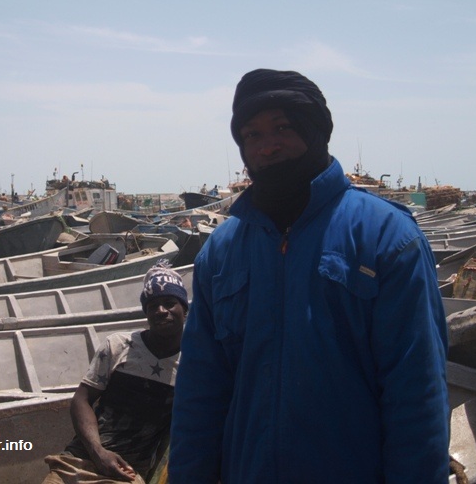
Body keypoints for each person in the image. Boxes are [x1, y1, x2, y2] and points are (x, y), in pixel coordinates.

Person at [169, 70, 449, 483]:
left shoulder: (386, 237)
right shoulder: (222, 250)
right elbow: (199, 392)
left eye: (282, 127)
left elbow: (417, 393)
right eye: (251, 134)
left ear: (314, 129)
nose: (267, 146)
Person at [42, 259, 188, 484]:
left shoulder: (192, 364)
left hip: (128, 470)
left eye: (169, 303)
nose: (161, 311)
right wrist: (98, 452)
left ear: (184, 309)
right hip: (81, 458)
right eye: (152, 306)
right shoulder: (118, 346)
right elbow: (81, 399)